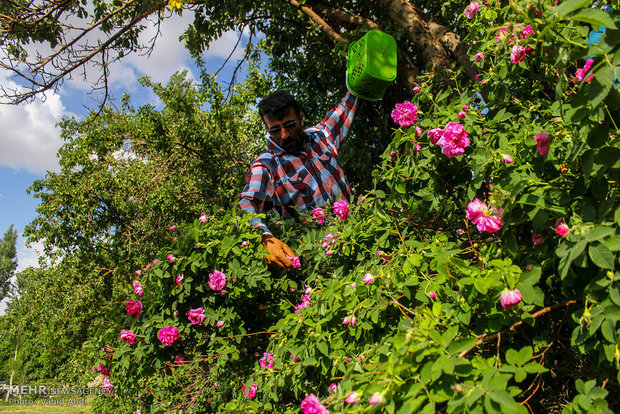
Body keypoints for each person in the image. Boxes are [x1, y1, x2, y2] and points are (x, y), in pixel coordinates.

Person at [237, 90, 362, 269]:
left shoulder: (322, 135)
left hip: (360, 235)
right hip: (323, 263)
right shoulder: (267, 164)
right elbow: (246, 202)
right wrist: (265, 237)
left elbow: (349, 103)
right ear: (267, 129)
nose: (284, 134)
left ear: (301, 118)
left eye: (289, 125)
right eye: (274, 129)